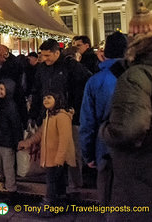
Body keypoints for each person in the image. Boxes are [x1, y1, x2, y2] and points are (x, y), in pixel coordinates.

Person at [100, 3, 152, 221]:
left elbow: (127, 131)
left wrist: (104, 131)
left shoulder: (137, 76)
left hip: (144, 182)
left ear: (133, 39)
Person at [30, 38, 91, 191]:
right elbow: (37, 91)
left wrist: (75, 107)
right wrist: (34, 113)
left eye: (47, 55)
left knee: (71, 151)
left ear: (57, 53)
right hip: (48, 115)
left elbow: (86, 81)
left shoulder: (69, 65)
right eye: (42, 55)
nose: (44, 59)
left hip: (68, 115)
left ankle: (75, 185)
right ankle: (58, 186)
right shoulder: (42, 68)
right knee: (53, 149)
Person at [79, 31, 128, 206]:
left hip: (105, 149)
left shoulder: (95, 81)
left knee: (107, 198)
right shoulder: (139, 76)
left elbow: (88, 122)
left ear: (104, 53)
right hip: (134, 149)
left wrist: (88, 155)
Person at [18, 91, 76, 209]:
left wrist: (59, 159)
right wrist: (27, 142)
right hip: (51, 157)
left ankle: (48, 204)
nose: (46, 100)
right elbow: (40, 133)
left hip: (56, 158)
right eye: (44, 98)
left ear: (57, 99)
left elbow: (65, 140)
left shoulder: (62, 117)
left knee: (51, 181)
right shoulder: (49, 116)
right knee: (57, 182)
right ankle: (59, 202)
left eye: (49, 97)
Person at [0, 42, 28, 129]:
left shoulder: (13, 67)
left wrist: (7, 54)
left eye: (1, 53)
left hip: (13, 107)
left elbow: (19, 65)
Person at [0, 79, 23, 197]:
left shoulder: (11, 106)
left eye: (2, 89)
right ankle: (3, 177)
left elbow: (16, 124)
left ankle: (12, 191)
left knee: (8, 166)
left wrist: (17, 141)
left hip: (7, 142)